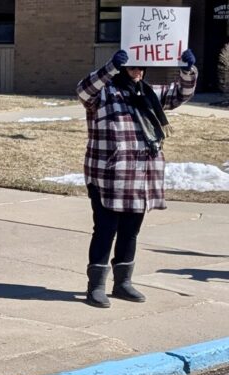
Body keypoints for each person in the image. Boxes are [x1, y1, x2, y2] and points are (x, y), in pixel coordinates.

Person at [77, 48, 197, 308]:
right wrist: (109, 67)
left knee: (130, 232)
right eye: (131, 66)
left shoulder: (148, 92)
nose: (137, 71)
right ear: (122, 67)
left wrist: (187, 71)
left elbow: (180, 94)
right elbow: (84, 89)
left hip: (141, 177)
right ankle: (95, 286)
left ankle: (122, 284)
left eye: (141, 67)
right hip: (108, 176)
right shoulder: (104, 93)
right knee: (105, 230)